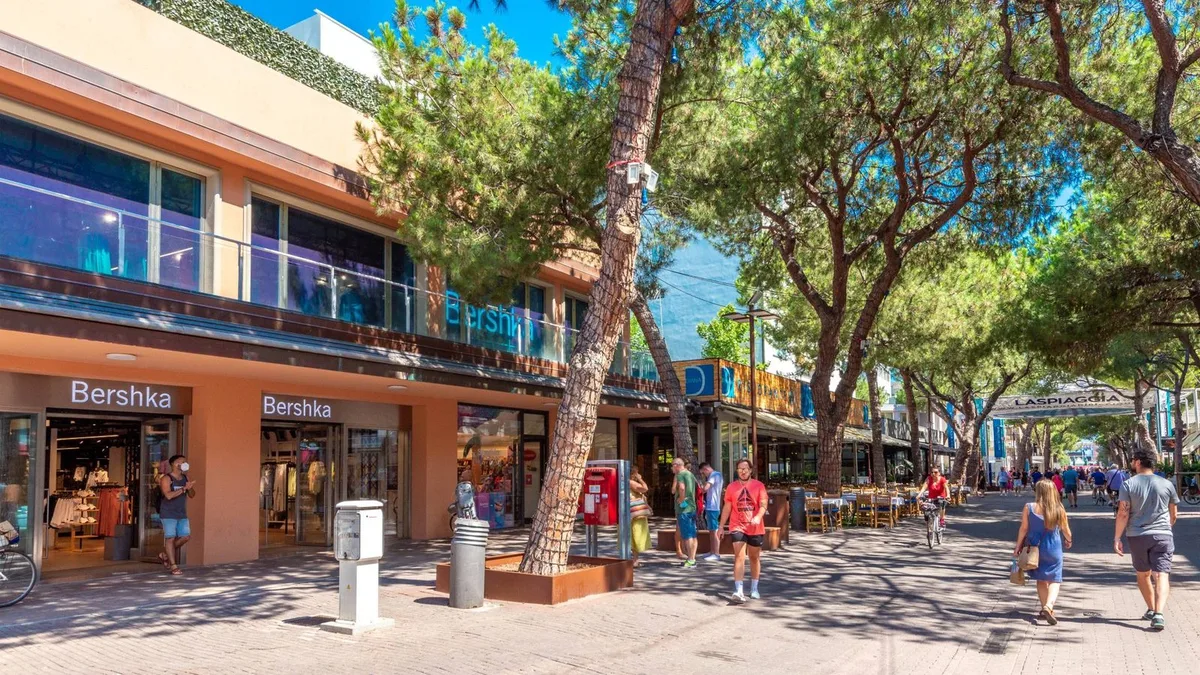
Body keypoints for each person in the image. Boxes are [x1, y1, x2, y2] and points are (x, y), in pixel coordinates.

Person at [1115, 449, 1179, 631]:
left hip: (1137, 535)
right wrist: (1166, 529)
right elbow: (1173, 514)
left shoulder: (1128, 485)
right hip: (1163, 535)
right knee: (1161, 574)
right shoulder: (1166, 484)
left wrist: (1117, 537)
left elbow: (1123, 513)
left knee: (1143, 574)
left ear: (1137, 462)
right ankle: (1158, 613)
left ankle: (1152, 609)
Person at [1013, 479, 1072, 625]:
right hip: (1054, 547)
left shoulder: (1029, 507)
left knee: (1041, 579)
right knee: (1055, 579)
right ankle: (1049, 606)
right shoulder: (1059, 508)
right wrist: (1069, 541)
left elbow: (1024, 529)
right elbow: (1066, 530)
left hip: (1035, 548)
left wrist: (1017, 546)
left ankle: (1044, 607)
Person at [717, 459, 768, 603]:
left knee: (754, 557)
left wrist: (758, 517)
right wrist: (721, 526)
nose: (743, 471)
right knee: (739, 556)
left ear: (751, 470)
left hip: (755, 526)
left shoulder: (759, 486)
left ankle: (754, 588)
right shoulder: (732, 487)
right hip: (737, 526)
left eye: (745, 468)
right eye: (740, 469)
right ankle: (739, 591)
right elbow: (727, 508)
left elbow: (763, 505)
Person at [157, 454, 195, 576]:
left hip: (181, 513)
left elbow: (192, 495)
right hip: (168, 513)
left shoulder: (185, 478)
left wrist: (189, 487)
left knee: (185, 537)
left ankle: (165, 555)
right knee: (170, 538)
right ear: (174, 464)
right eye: (181, 462)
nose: (184, 464)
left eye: (185, 461)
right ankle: (173, 566)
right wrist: (183, 489)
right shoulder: (166, 478)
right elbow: (168, 495)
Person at [671, 458, 699, 568]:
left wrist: (681, 499)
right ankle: (692, 558)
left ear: (677, 465)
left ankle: (691, 559)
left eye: (673, 465)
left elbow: (681, 488)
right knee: (693, 534)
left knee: (687, 536)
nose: (672, 468)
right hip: (692, 507)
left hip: (684, 510)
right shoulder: (690, 474)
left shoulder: (680, 475)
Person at [699, 462, 725, 562]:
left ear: (706, 469)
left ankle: (716, 553)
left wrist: (700, 488)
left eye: (703, 473)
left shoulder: (714, 475)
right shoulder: (718, 475)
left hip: (713, 507)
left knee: (714, 530)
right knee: (711, 530)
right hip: (712, 506)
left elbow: (705, 488)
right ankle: (712, 551)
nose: (704, 475)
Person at [628, 467, 652, 568]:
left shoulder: (623, 482)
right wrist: (640, 479)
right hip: (636, 513)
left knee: (632, 535)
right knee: (636, 535)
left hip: (630, 512)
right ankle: (635, 560)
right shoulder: (631, 482)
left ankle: (633, 559)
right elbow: (645, 488)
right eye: (637, 473)